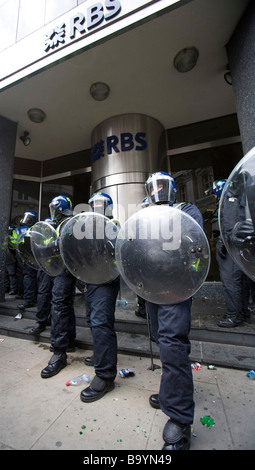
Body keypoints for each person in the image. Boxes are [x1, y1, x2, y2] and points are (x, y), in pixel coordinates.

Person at [144, 171, 203, 450]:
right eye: (153, 187)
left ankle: (180, 418)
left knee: (172, 342)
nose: (158, 191)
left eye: (162, 186)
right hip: (154, 288)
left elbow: (192, 241)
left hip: (176, 287)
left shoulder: (186, 210)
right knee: (162, 338)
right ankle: (172, 392)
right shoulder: (144, 214)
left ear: (173, 189)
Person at [80, 192, 120, 403]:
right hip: (91, 280)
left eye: (100, 204)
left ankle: (105, 376)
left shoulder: (115, 225)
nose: (96, 208)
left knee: (101, 323)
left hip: (106, 280)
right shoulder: (87, 228)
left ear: (108, 207)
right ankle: (100, 354)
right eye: (93, 204)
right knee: (93, 322)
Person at [41, 195, 77, 378]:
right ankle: (69, 341)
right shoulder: (59, 225)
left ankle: (59, 353)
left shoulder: (70, 223)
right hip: (63, 269)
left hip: (65, 270)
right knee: (65, 304)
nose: (53, 212)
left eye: (55, 209)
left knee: (59, 306)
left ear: (61, 208)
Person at [211, 180, 249, 327]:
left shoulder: (230, 201)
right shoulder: (235, 200)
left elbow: (229, 225)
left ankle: (234, 316)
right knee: (240, 282)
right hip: (234, 248)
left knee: (231, 282)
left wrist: (222, 240)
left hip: (229, 249)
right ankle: (242, 313)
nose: (214, 197)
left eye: (215, 193)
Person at [16, 211, 38, 309]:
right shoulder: (26, 230)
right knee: (28, 278)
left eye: (29, 218)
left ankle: (30, 299)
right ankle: (29, 298)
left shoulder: (36, 229)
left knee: (30, 279)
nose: (27, 220)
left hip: (33, 259)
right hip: (27, 258)